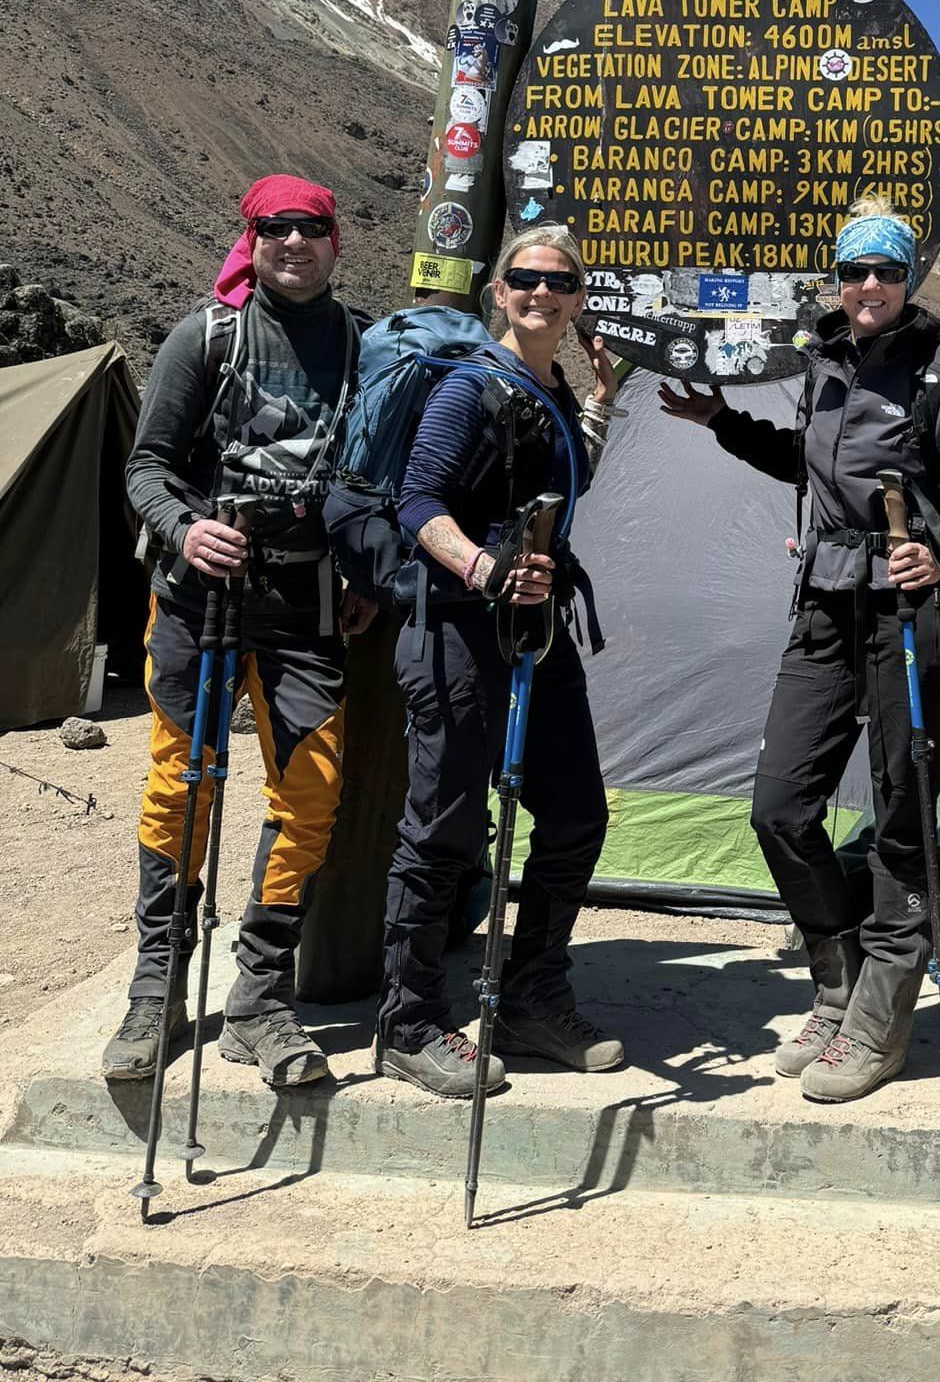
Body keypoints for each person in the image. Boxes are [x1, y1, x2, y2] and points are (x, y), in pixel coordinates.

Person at [661, 199, 940, 1103]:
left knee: (900, 814)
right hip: (823, 603)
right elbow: (808, 465)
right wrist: (722, 423)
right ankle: (837, 978)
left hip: (908, 611)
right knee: (779, 806)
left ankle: (883, 1022)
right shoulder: (824, 362)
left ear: (908, 280)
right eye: (855, 272)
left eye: (885, 272)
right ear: (839, 279)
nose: (868, 288)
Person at [104, 175, 373, 1089]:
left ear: (337, 242)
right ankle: (157, 988)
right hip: (196, 596)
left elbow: (366, 476)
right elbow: (145, 467)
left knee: (313, 790)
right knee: (182, 783)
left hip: (304, 604)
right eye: (274, 230)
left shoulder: (360, 343)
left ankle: (259, 996)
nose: (293, 243)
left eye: (310, 230)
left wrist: (365, 571)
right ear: (250, 242)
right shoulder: (204, 335)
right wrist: (185, 528)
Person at [375, 225, 621, 1099]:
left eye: (559, 281)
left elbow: (561, 482)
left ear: (579, 296)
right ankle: (407, 1022)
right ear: (499, 292)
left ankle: (529, 998)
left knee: (576, 814)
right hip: (457, 627)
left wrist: (598, 400)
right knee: (443, 824)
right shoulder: (468, 386)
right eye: (525, 278)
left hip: (537, 629)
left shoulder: (548, 384)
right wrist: (485, 568)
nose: (541, 292)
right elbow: (417, 499)